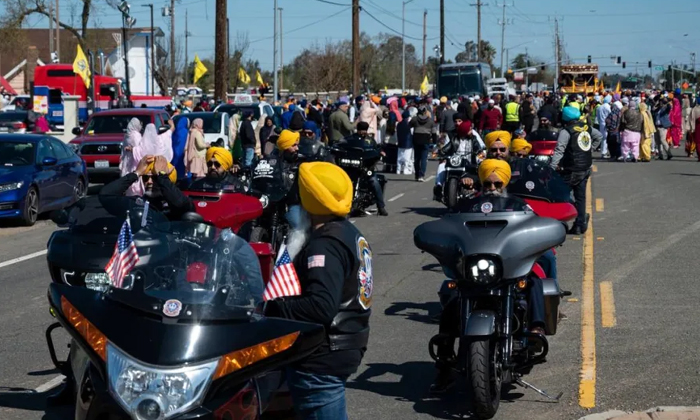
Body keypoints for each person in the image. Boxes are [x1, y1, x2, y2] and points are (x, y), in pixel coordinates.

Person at [264, 161, 372, 420]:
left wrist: (273, 306)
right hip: (342, 345)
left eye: (299, 196)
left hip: (321, 357)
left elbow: (321, 306)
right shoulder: (348, 232)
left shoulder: (324, 245)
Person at [429, 159, 548, 394]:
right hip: (475, 270)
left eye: (496, 184)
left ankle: (536, 330)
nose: (492, 188)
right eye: (488, 184)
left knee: (533, 282)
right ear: (481, 183)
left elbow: (534, 227)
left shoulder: (519, 207)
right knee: (451, 297)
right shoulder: (468, 206)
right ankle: (444, 363)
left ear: (504, 183)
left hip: (508, 268)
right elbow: (449, 227)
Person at [550, 106, 603, 235]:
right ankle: (580, 224)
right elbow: (599, 136)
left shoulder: (566, 131)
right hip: (585, 168)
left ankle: (561, 223)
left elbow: (559, 150)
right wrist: (590, 150)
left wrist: (551, 168)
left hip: (570, 169)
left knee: (560, 195)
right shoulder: (587, 128)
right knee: (580, 197)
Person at [101, 155, 194, 219]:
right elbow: (105, 195)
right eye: (146, 177)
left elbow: (180, 203)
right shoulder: (137, 203)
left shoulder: (180, 202)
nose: (149, 182)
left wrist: (161, 176)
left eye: (154, 178)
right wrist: (136, 173)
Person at [347, 121, 388, 216]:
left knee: (374, 182)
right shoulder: (351, 139)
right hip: (352, 167)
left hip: (366, 168)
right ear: (357, 130)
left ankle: (381, 207)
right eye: (361, 130)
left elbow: (376, 149)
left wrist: (380, 152)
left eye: (364, 130)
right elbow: (342, 144)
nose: (363, 132)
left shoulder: (370, 140)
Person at [409, 106, 436, 182]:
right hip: (425, 140)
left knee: (416, 158)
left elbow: (409, 126)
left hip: (416, 140)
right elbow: (434, 133)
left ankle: (417, 174)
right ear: (425, 112)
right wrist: (434, 142)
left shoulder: (414, 119)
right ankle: (421, 175)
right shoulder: (430, 121)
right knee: (424, 159)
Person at [654, 95, 673, 160]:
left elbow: (669, 108)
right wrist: (657, 104)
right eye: (660, 101)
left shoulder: (666, 108)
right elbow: (653, 109)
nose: (661, 102)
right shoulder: (657, 108)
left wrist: (667, 102)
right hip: (657, 126)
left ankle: (669, 153)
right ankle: (660, 155)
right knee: (658, 141)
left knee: (663, 140)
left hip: (663, 126)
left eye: (662, 101)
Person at [395, 108, 414, 175]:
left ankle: (398, 169)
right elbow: (412, 133)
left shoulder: (398, 124)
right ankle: (405, 170)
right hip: (408, 143)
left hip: (400, 142)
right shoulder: (409, 125)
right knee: (407, 158)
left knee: (399, 158)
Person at [688, 96, 700, 162]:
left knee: (698, 142)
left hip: (697, 127)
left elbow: (692, 119)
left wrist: (692, 129)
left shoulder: (695, 109)